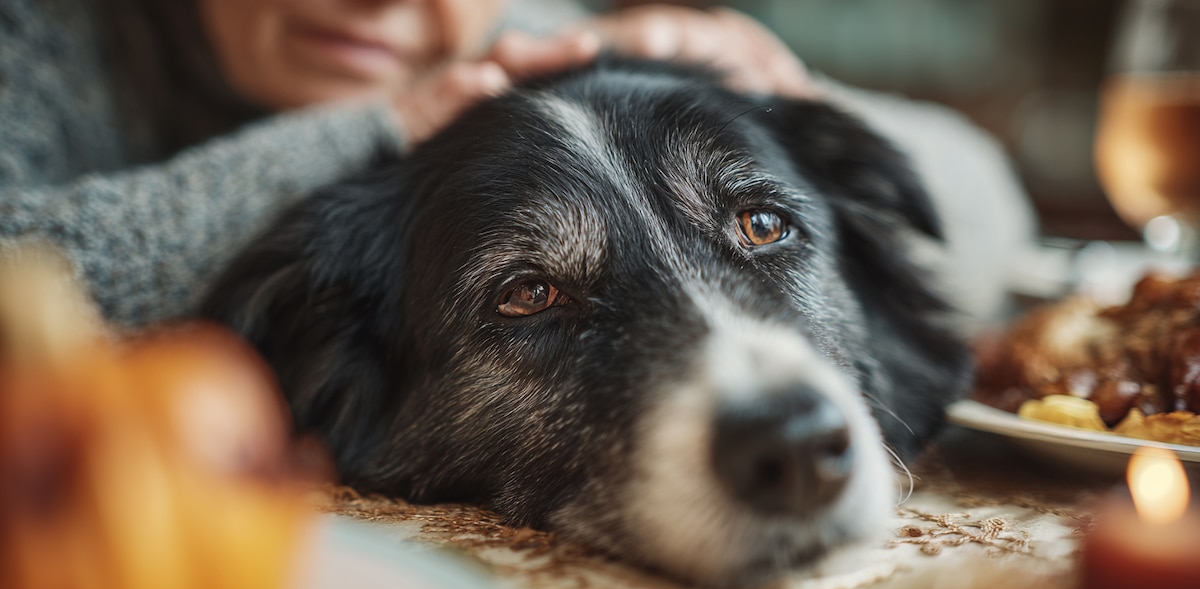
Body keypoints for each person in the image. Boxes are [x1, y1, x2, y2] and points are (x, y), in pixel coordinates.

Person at [0, 0, 1032, 328]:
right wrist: (375, 132)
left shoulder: (533, 46)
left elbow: (989, 216)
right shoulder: (42, 36)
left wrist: (793, 117)